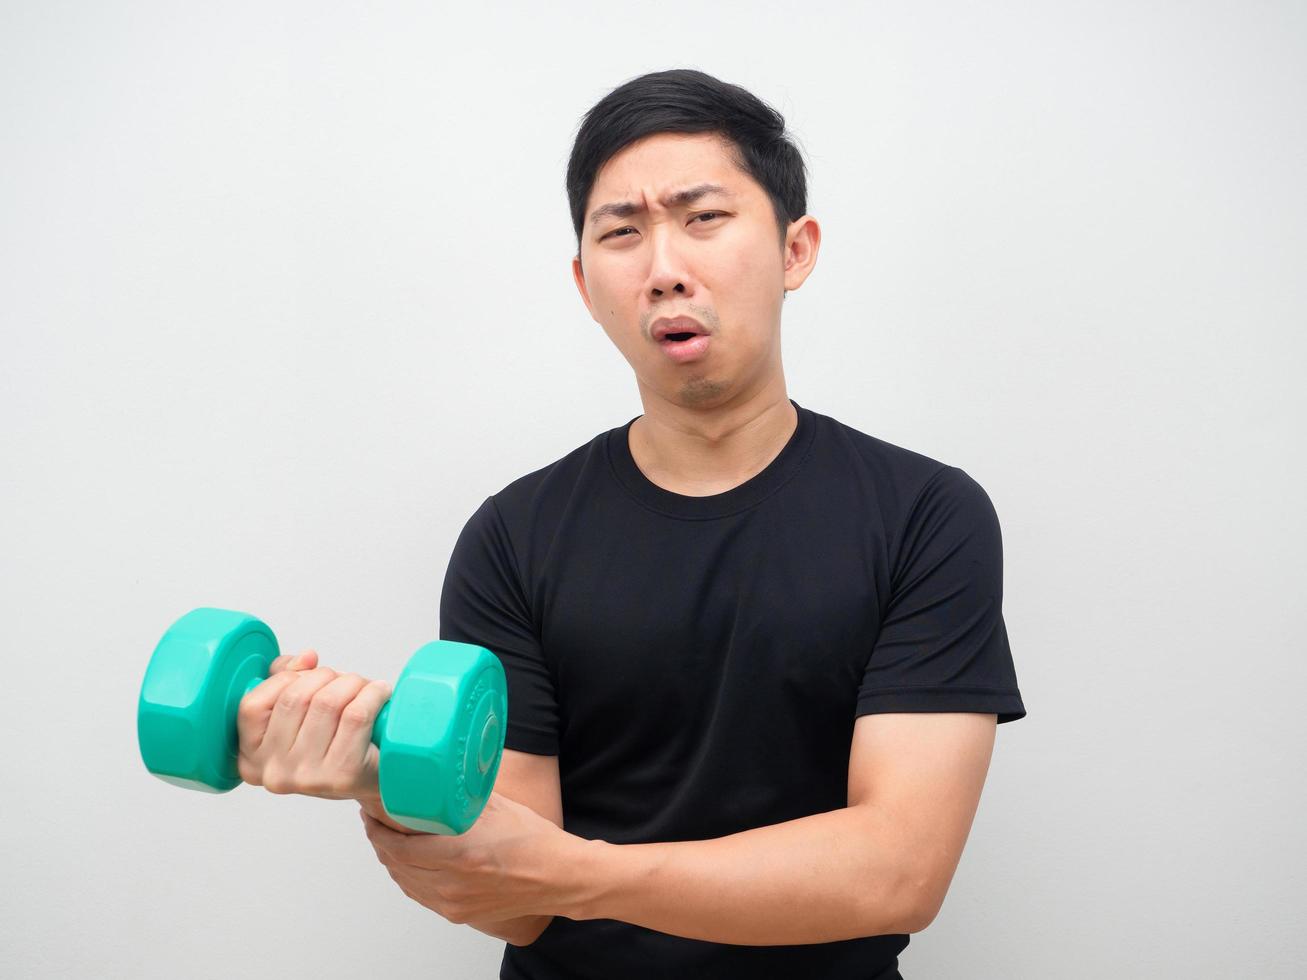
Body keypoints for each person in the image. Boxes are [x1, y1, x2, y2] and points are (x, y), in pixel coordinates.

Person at [237, 68, 1027, 980]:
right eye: (621, 234)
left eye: (703, 219)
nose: (662, 270)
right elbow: (517, 901)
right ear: (584, 281)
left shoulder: (926, 515)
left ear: (795, 249)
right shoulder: (512, 536)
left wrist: (581, 871)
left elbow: (896, 873)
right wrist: (377, 777)